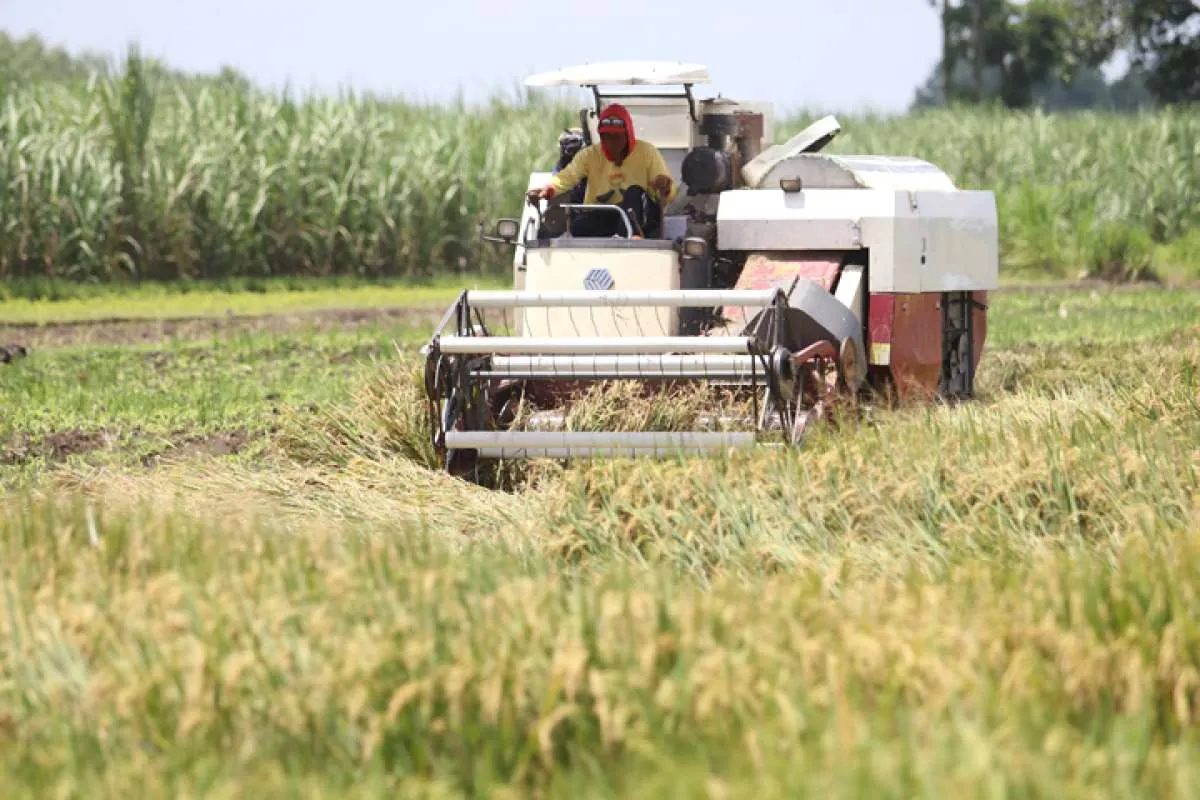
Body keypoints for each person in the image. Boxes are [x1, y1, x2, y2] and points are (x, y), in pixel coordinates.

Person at [527, 103, 676, 238]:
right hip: (606, 214)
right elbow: (567, 176)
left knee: (634, 192)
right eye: (606, 136)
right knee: (579, 227)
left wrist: (664, 186)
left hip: (640, 218)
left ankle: (631, 239)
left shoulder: (646, 152)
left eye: (617, 136)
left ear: (628, 134)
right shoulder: (590, 155)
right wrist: (549, 189)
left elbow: (667, 191)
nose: (611, 142)